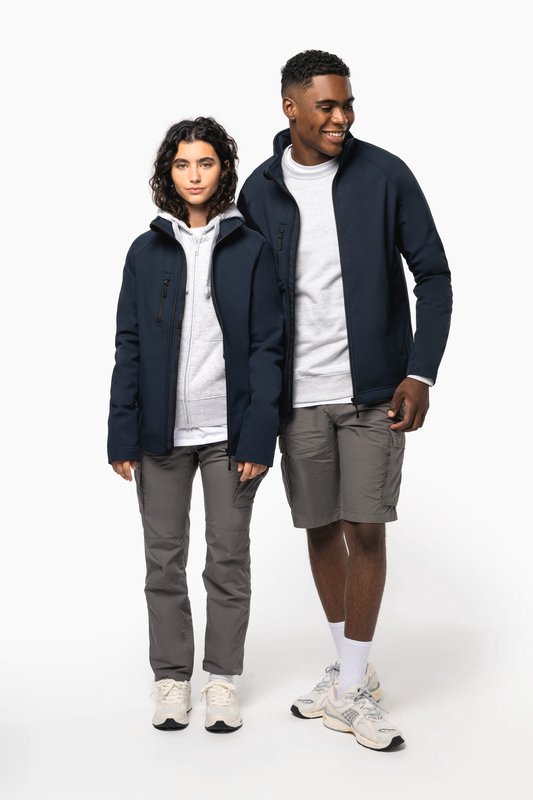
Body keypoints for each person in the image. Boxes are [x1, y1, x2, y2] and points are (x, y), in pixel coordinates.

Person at [237, 50, 452, 750]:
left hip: (373, 393)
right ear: (290, 107)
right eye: (326, 106)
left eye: (347, 104)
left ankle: (353, 686)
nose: (341, 117)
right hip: (296, 397)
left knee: (367, 528)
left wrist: (420, 373)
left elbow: (433, 276)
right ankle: (350, 669)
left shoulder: (384, 174)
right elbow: (246, 303)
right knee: (320, 528)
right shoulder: (259, 190)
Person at [107, 117, 283, 733]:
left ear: (222, 169)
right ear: (169, 172)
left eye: (205, 163)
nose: (194, 175)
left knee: (227, 558)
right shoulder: (146, 250)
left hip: (229, 435)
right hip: (160, 435)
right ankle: (172, 679)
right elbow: (129, 344)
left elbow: (267, 347)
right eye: (183, 164)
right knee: (163, 560)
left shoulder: (250, 248)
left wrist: (259, 435)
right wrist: (122, 432)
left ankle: (223, 680)